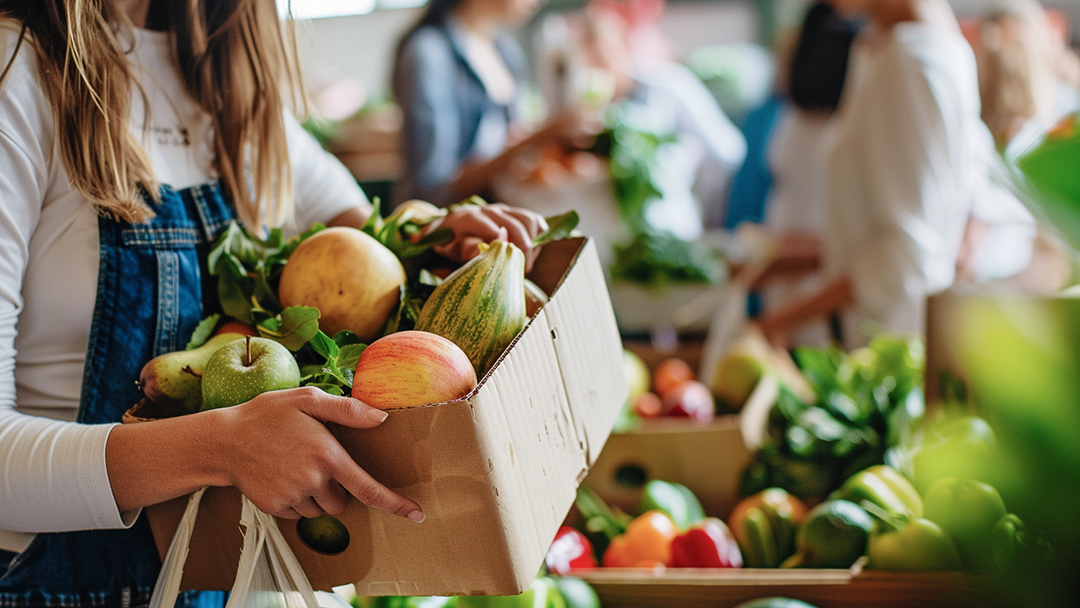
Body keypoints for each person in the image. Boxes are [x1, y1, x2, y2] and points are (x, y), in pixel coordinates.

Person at [0, 0, 548, 603]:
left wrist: (436, 241)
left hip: (233, 576)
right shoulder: (15, 73)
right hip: (60, 583)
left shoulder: (223, 81)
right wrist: (220, 447)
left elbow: (366, 239)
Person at [757, 0, 1016, 349]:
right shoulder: (900, 48)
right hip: (879, 343)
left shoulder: (910, 61)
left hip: (889, 352)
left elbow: (906, 256)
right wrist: (805, 258)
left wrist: (778, 323)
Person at [392, 0, 595, 207]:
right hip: (445, 229)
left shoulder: (506, 51)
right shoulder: (429, 53)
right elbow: (431, 190)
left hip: (499, 218)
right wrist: (536, 139)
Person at [574, 2, 747, 241]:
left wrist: (706, 209)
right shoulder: (587, 109)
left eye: (602, 54)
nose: (596, 65)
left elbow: (725, 153)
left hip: (673, 233)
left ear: (623, 45)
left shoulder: (668, 85)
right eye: (588, 56)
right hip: (617, 242)